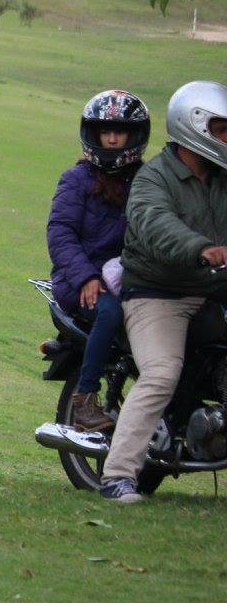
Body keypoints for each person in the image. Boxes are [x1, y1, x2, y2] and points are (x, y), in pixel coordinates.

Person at [100, 81, 227, 503]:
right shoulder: (154, 178)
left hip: (214, 289)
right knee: (161, 374)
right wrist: (201, 248)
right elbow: (156, 224)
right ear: (195, 126)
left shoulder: (222, 178)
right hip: (159, 293)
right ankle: (117, 476)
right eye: (222, 129)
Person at [47, 91, 150, 433]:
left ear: (134, 135)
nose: (112, 139)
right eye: (105, 131)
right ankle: (85, 398)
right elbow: (60, 233)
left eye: (119, 131)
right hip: (79, 281)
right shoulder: (76, 179)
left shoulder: (146, 182)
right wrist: (86, 277)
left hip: (131, 277)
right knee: (109, 312)